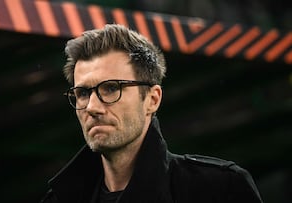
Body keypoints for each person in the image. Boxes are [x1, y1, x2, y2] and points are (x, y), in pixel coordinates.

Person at [40, 24, 263, 203]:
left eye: (111, 88)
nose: (92, 107)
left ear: (152, 99)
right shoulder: (58, 199)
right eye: (82, 93)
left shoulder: (218, 190)